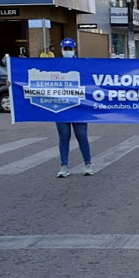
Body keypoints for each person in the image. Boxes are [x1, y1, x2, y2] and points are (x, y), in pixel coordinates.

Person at [56, 38, 93, 178]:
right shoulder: (54, 65)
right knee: (64, 137)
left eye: (69, 49)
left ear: (74, 49)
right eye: (65, 49)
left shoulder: (82, 64)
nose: (67, 51)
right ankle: (64, 165)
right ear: (61, 50)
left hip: (79, 107)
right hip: (61, 107)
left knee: (82, 136)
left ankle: (88, 163)